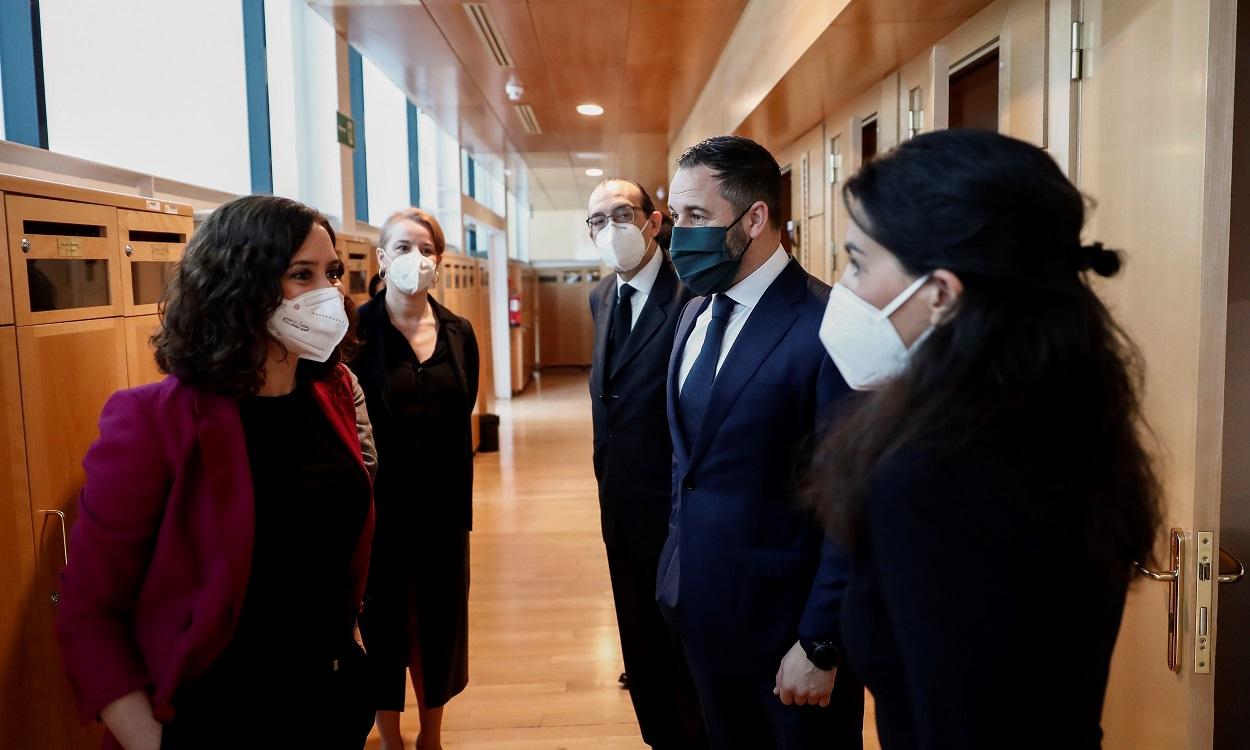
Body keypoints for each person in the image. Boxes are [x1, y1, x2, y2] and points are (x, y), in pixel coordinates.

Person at [807, 128, 1162, 750]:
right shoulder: (1062, 416)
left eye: (859, 263)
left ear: (941, 293)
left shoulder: (932, 476)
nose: (845, 288)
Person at [56, 195, 375, 750]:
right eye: (302, 275)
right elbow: (89, 612)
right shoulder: (153, 419)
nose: (331, 294)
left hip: (328, 702)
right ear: (239, 286)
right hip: (217, 715)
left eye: (333, 273)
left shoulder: (333, 392)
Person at [659, 135, 864, 749]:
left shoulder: (827, 325)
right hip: (699, 612)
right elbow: (691, 464)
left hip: (789, 634)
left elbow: (850, 502)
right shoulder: (695, 312)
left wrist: (822, 642)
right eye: (676, 217)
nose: (679, 235)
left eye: (697, 217)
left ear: (755, 217)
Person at [586, 177, 707, 749]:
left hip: (675, 505)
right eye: (597, 220)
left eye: (621, 214)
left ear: (654, 222)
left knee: (682, 645)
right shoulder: (601, 297)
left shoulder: (693, 297)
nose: (610, 230)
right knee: (637, 636)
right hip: (619, 499)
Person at [351, 208, 479, 750]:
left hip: (443, 508)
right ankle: (390, 737)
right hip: (378, 509)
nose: (415, 258)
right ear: (381, 259)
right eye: (401, 247)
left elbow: (463, 407)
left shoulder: (458, 332)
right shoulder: (356, 332)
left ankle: (432, 735)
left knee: (440, 625)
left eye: (424, 248)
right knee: (382, 625)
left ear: (439, 259)